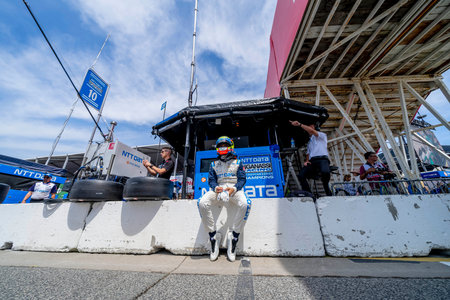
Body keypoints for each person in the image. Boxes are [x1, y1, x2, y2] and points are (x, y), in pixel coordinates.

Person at [197, 136, 251, 262]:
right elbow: (211, 180)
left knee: (246, 204)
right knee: (202, 203)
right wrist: (215, 187)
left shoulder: (238, 162)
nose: (222, 148)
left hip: (233, 189)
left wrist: (235, 188)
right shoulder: (213, 164)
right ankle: (213, 237)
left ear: (231, 147)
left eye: (224, 145)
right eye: (220, 146)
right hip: (219, 189)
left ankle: (234, 237)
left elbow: (242, 179)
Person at [289, 120, 332, 196]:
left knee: (325, 172)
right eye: (309, 126)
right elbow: (308, 153)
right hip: (312, 161)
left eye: (312, 126)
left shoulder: (322, 135)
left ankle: (328, 191)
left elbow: (312, 131)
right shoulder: (309, 142)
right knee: (301, 175)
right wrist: (307, 161)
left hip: (322, 159)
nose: (310, 128)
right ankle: (308, 193)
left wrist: (300, 124)